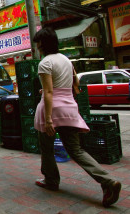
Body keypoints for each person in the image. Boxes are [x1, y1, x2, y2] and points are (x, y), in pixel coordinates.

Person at [32, 27, 122, 208]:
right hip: (69, 109)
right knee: (76, 150)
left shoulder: (45, 63)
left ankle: (51, 180)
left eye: (38, 43)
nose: (37, 47)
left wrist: (49, 119)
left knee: (47, 148)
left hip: (51, 110)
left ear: (42, 44)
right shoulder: (66, 60)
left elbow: (49, 92)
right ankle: (108, 180)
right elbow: (75, 84)